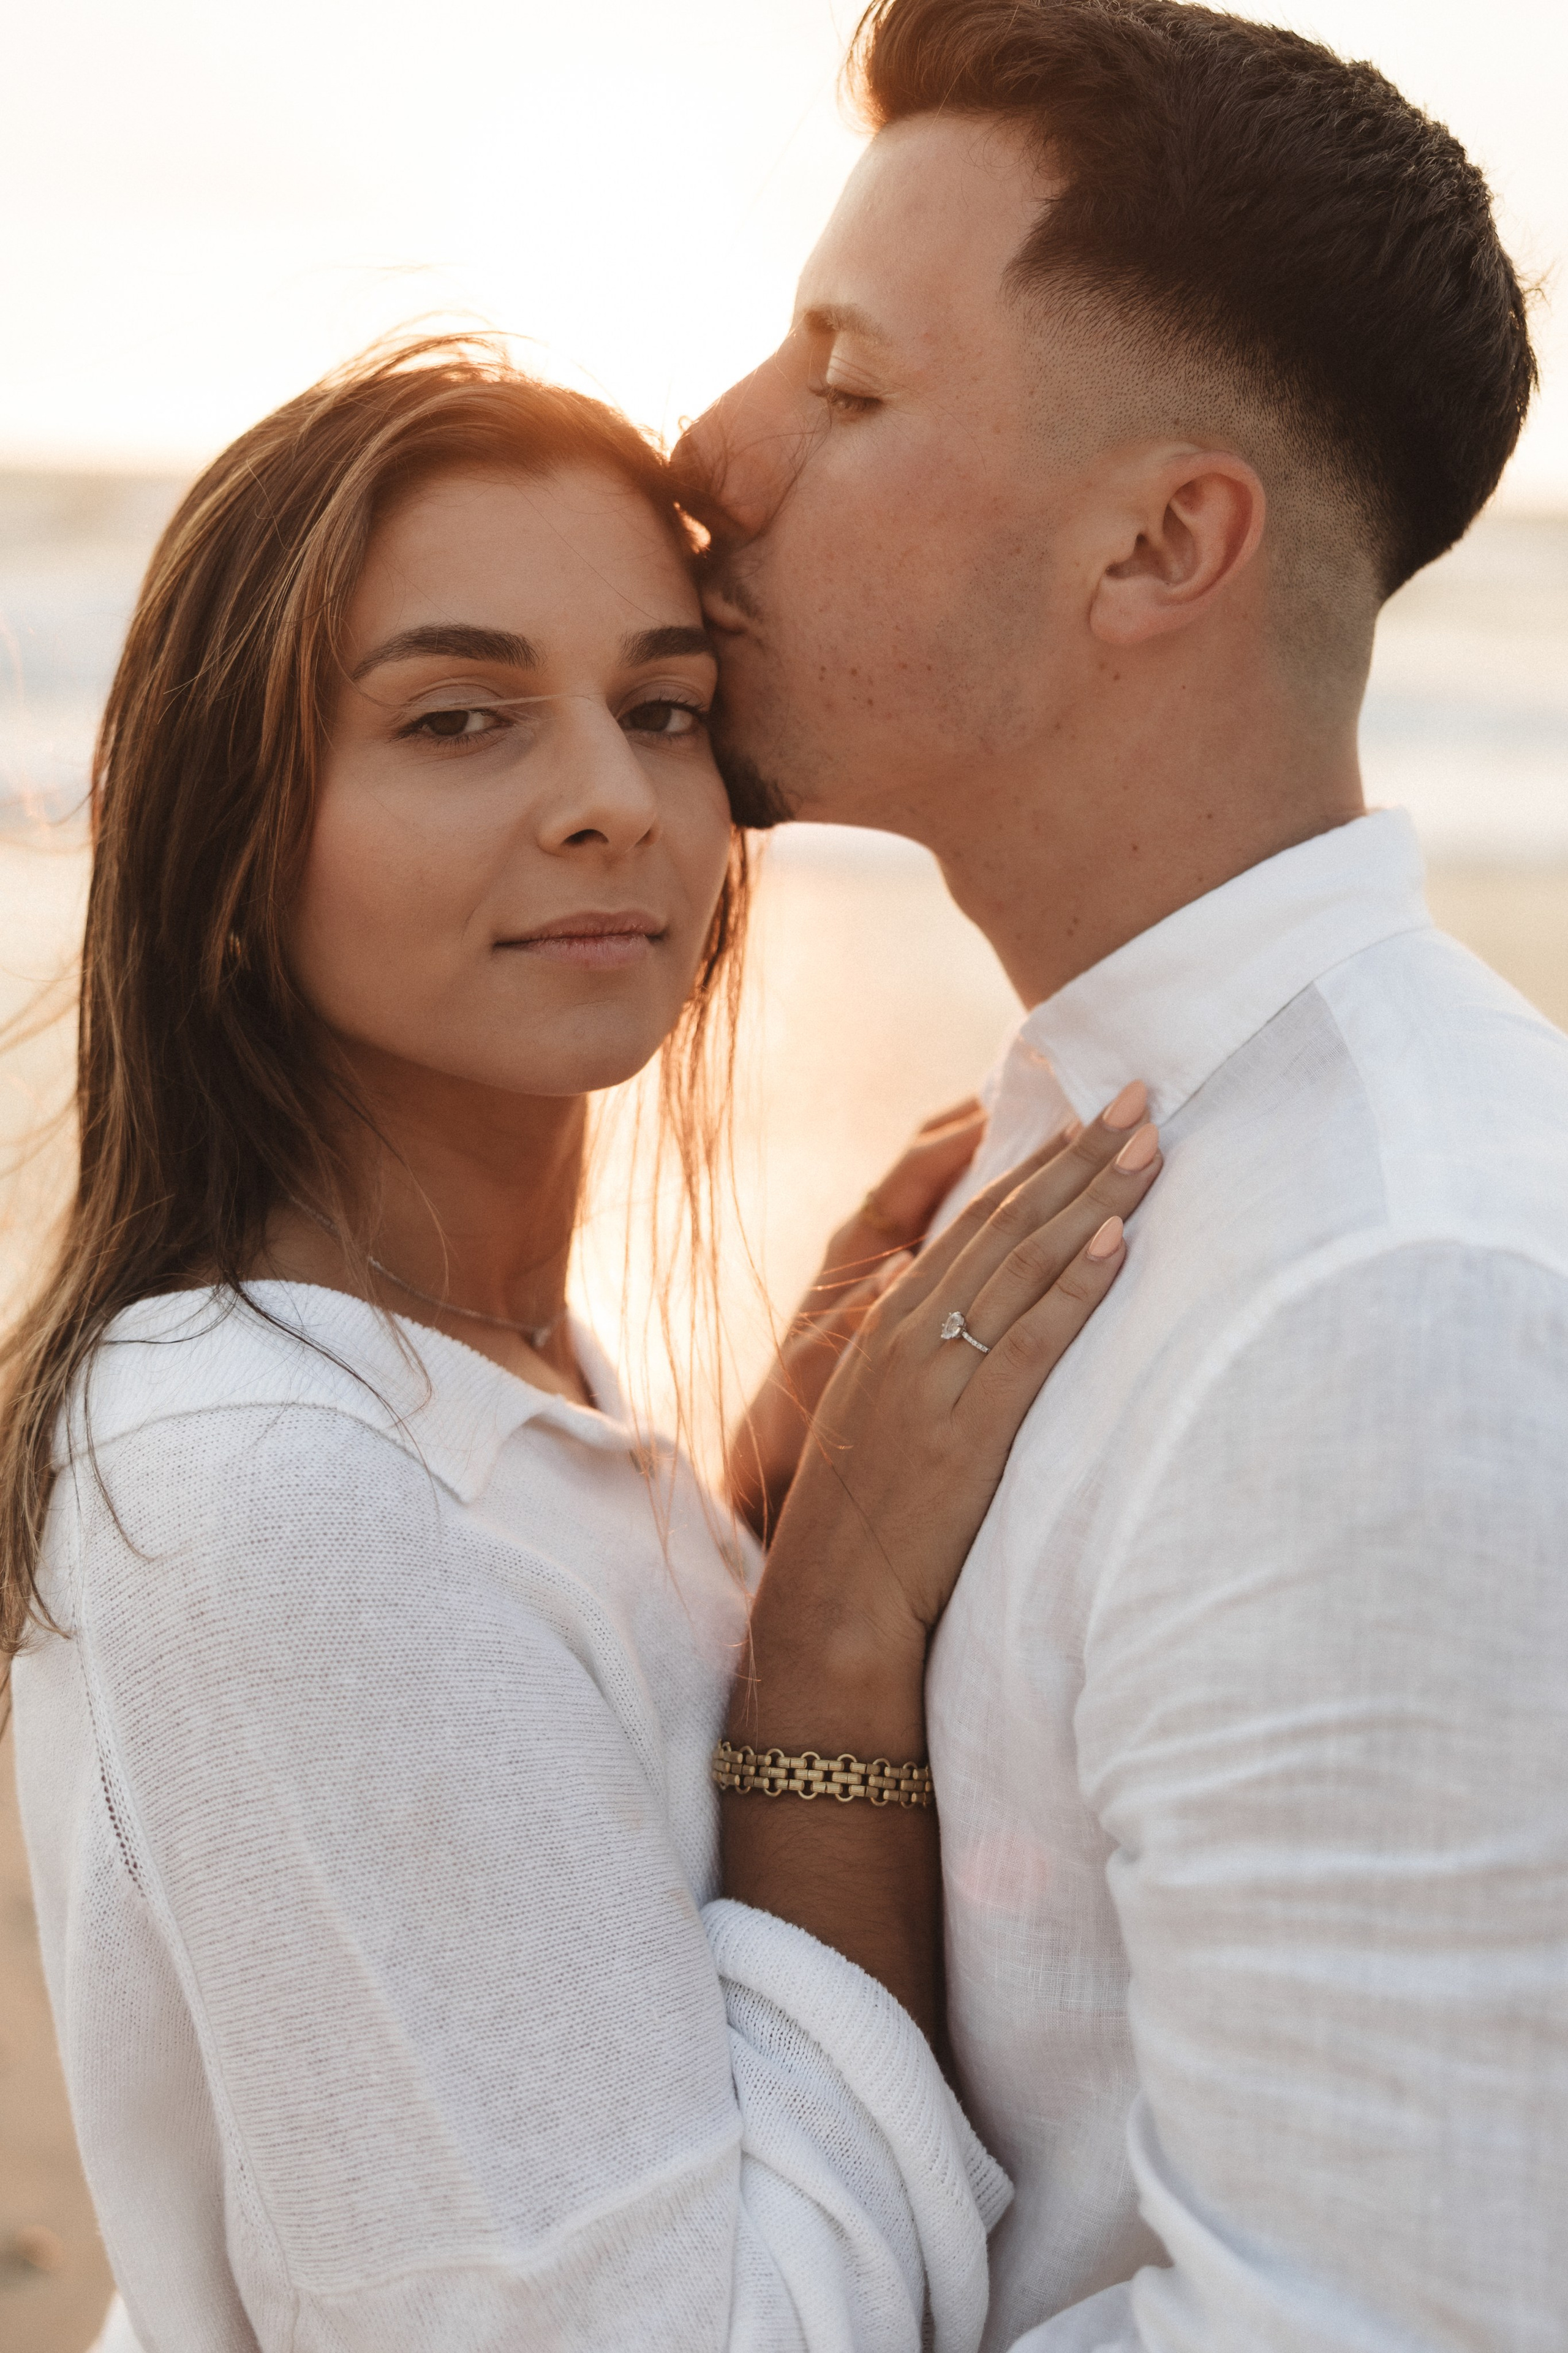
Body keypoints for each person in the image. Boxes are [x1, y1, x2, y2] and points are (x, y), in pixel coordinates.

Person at [2, 341, 1172, 2352]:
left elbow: (572, 1886)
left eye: (667, 708)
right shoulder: (264, 1482)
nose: (612, 805)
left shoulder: (483, 1360)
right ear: (226, 834)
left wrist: (745, 1492)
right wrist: (830, 1617)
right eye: (459, 718)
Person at [680, 1, 1568, 2345]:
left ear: (1163, 542)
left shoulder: (1396, 1297)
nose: (714, 449)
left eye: (848, 388)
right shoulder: (1083, 1149)